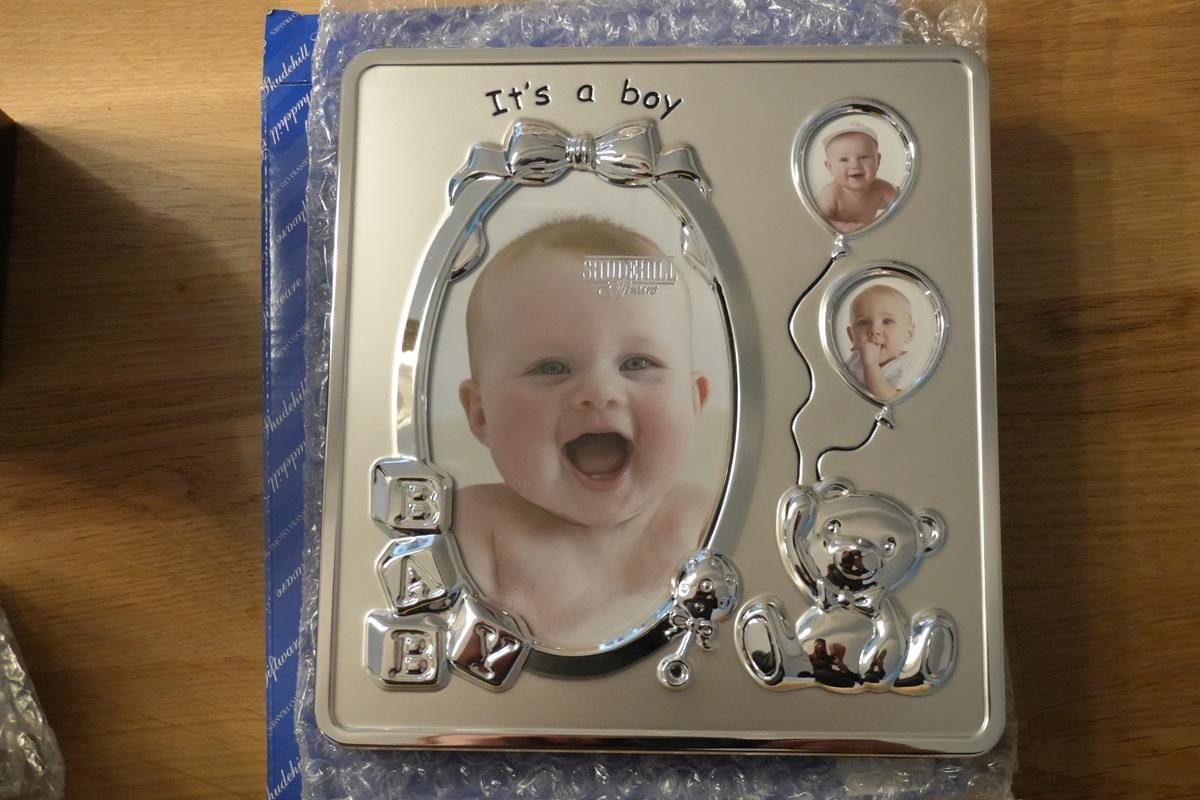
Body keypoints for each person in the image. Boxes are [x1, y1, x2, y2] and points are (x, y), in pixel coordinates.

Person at [454, 217, 713, 645]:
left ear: (694, 401)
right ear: (481, 414)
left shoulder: (709, 526)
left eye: (637, 363)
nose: (599, 392)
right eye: (552, 367)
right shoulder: (472, 531)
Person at [816, 122, 898, 233]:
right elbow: (817, 221)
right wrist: (842, 227)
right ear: (829, 167)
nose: (855, 165)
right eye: (844, 159)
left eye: (864, 157)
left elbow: (903, 208)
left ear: (877, 161)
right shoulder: (830, 194)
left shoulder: (882, 189)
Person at [844, 283, 917, 400]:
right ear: (852, 335)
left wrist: (871, 365)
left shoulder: (905, 366)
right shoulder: (854, 360)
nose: (874, 330)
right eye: (864, 322)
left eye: (887, 321)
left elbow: (888, 399)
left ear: (909, 333)